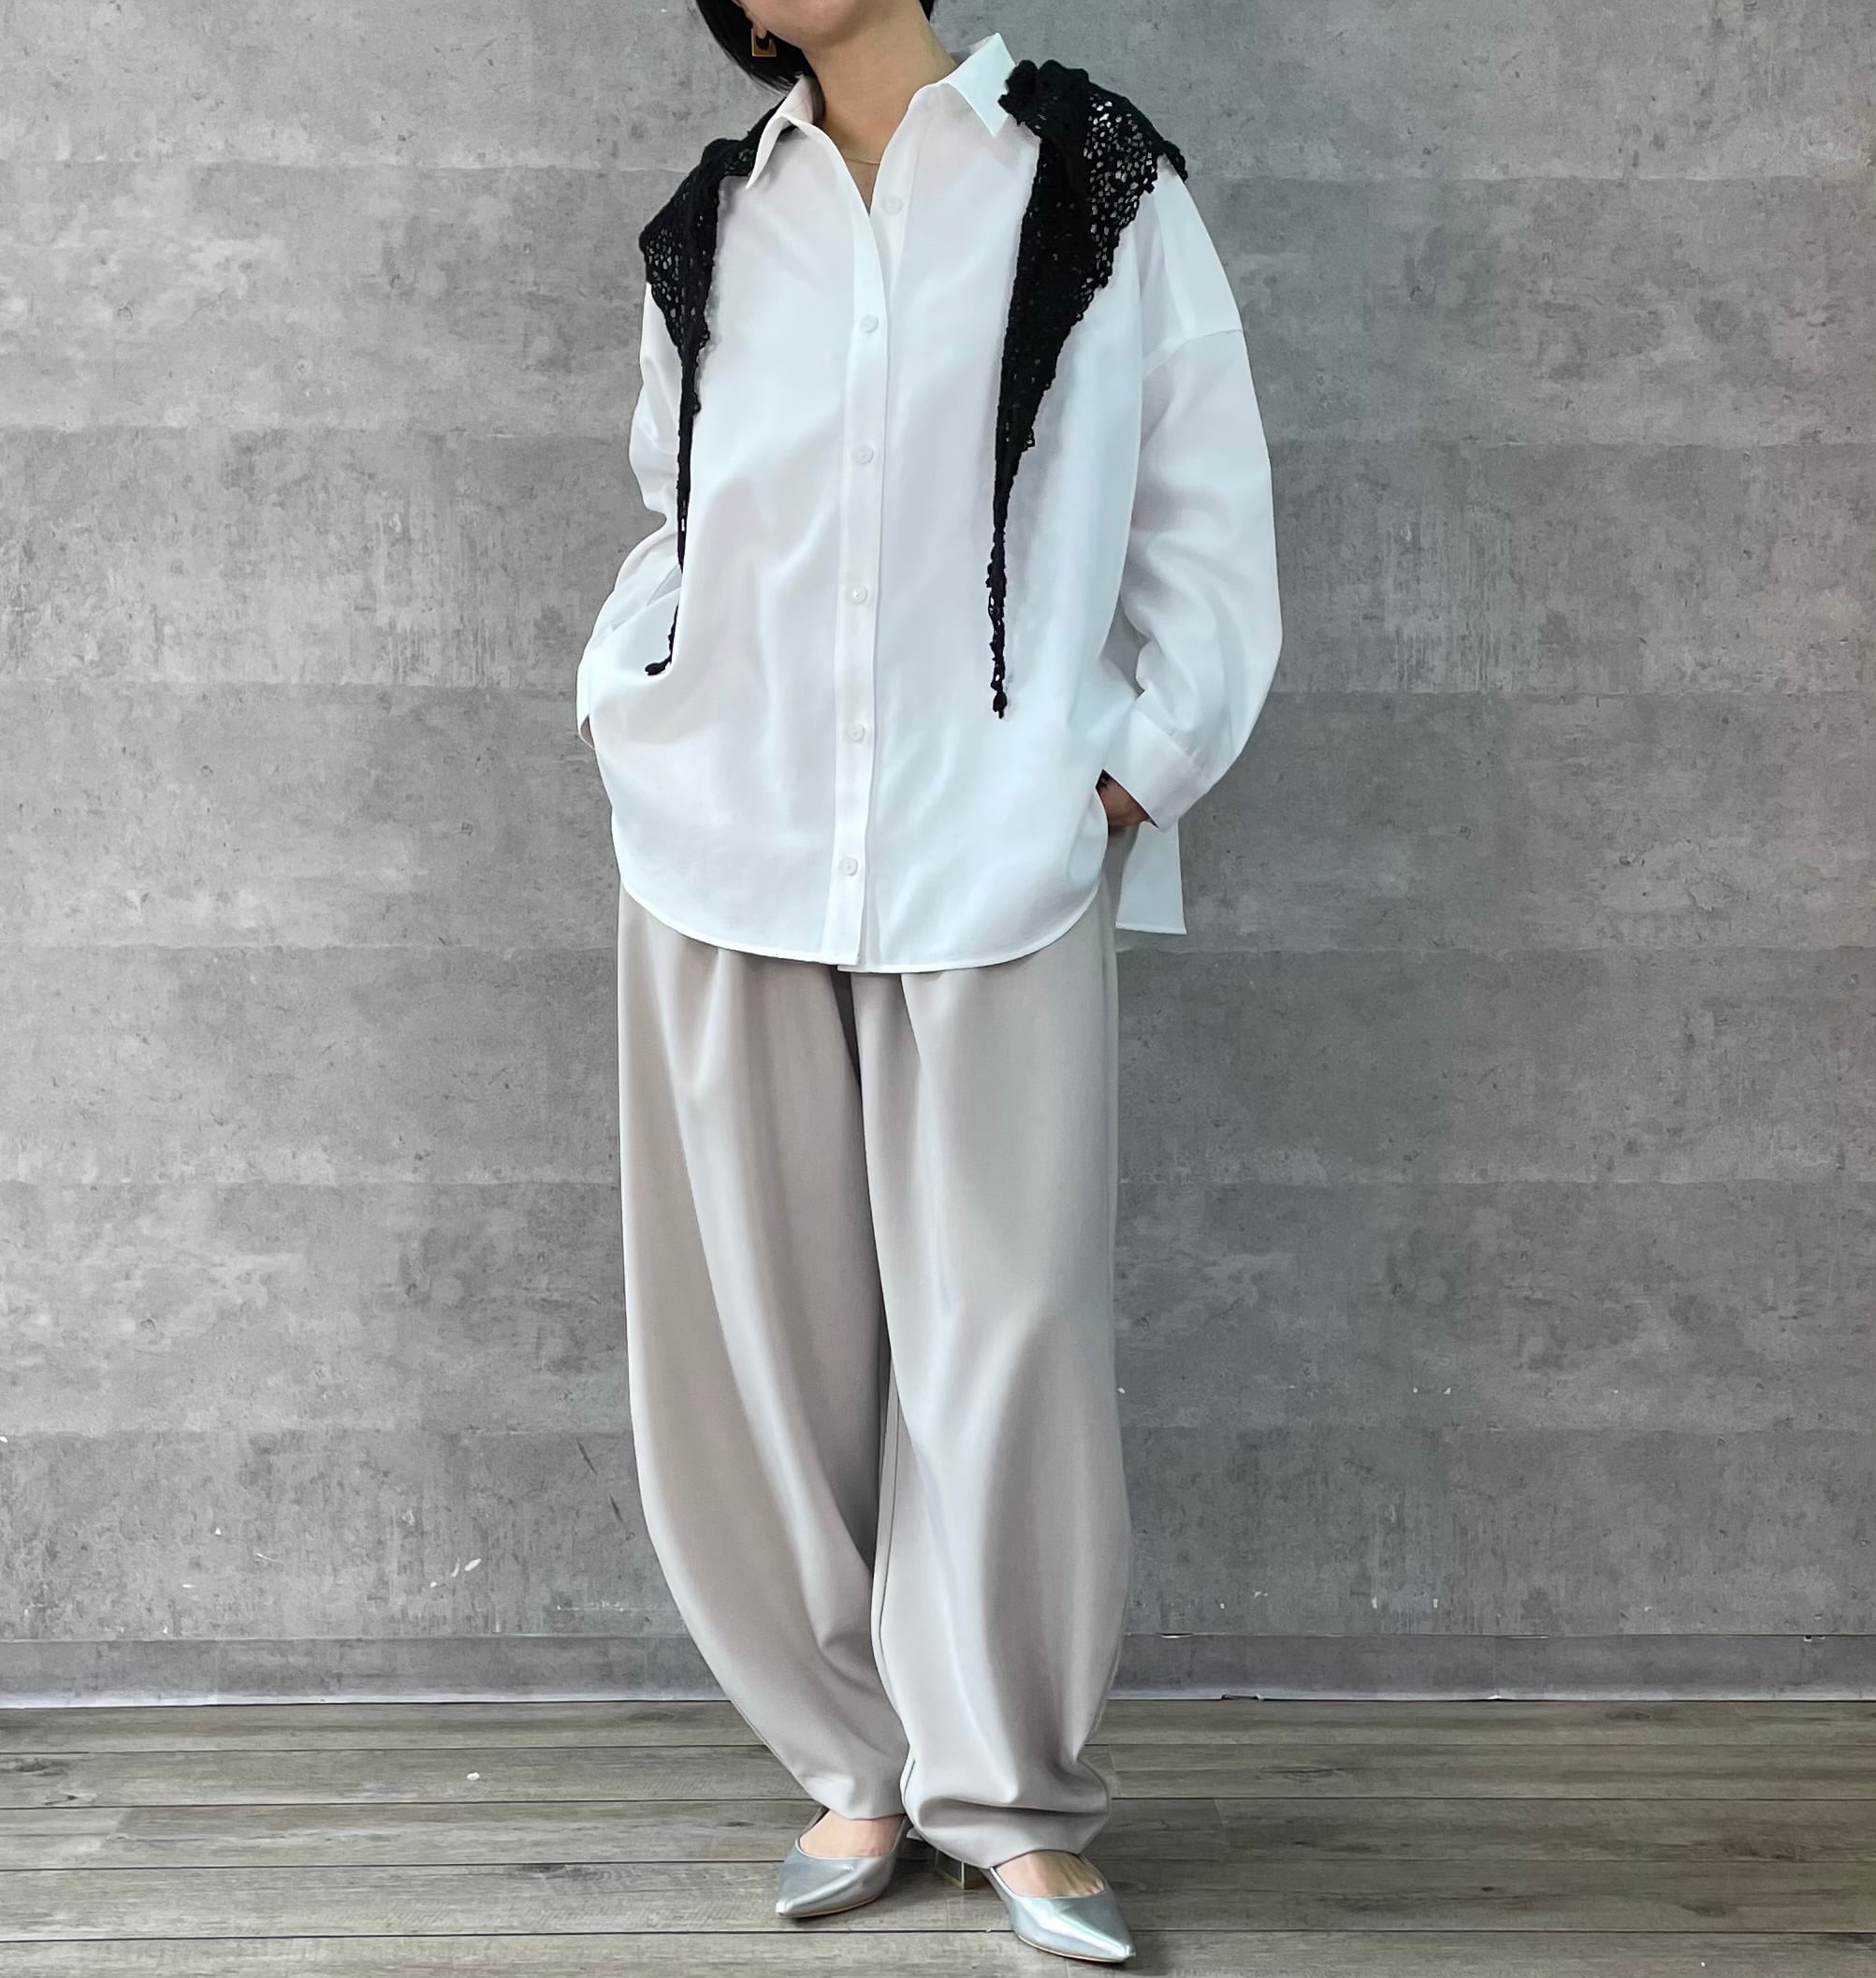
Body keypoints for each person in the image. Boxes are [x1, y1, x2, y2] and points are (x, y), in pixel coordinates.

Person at [576, 1, 1281, 1961]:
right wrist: (628, 698)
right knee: (758, 1348)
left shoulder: (1089, 177)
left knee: (1008, 1331)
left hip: (993, 854)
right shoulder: (712, 228)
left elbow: (1203, 497)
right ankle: (852, 1762)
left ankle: (1013, 1795)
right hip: (726, 850)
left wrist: (1129, 770)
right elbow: (679, 516)